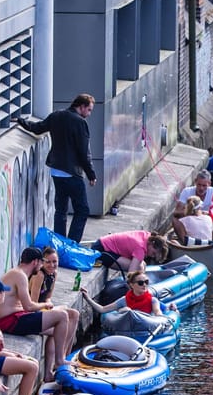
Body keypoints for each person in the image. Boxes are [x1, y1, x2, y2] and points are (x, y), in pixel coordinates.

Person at [13, 94, 97, 241]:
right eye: (89, 110)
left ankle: (60, 242)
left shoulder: (56, 116)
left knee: (61, 210)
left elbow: (37, 128)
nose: (89, 114)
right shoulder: (80, 123)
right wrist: (91, 174)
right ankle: (72, 243)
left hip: (56, 171)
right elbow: (84, 153)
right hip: (72, 173)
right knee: (82, 210)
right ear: (81, 106)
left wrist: (20, 121)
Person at [0, 247, 77, 382]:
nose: (41, 267)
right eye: (41, 263)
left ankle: (48, 373)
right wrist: (45, 305)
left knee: (56, 329)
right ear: (35, 262)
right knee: (62, 316)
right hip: (12, 321)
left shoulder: (18, 273)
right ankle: (60, 360)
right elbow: (29, 306)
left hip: (15, 318)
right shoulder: (20, 275)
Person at [28, 247, 83, 353]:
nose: (52, 265)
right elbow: (33, 303)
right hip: (35, 310)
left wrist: (48, 302)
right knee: (63, 322)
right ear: (42, 262)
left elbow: (48, 296)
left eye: (55, 262)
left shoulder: (54, 274)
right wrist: (47, 306)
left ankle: (66, 353)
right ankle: (62, 355)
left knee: (75, 314)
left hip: (44, 308)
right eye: (48, 262)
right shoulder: (39, 275)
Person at [81, 268, 165, 320]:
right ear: (132, 285)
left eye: (146, 282)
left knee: (127, 310)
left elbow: (158, 312)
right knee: (126, 310)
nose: (144, 285)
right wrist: (88, 298)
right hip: (127, 330)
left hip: (145, 329)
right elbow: (103, 309)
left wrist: (161, 316)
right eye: (140, 283)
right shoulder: (124, 300)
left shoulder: (153, 301)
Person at [89, 230, 170, 273]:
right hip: (101, 251)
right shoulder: (140, 248)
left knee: (143, 264)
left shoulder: (147, 236)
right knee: (139, 267)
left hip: (102, 243)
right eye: (153, 253)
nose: (152, 256)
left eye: (154, 257)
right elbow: (132, 272)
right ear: (152, 244)